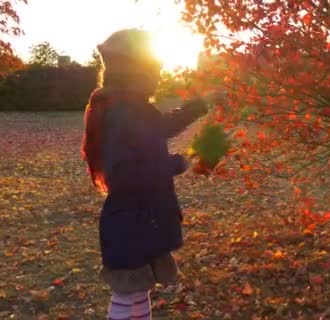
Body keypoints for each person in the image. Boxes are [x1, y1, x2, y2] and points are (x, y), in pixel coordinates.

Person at [80, 28, 224, 320]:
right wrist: (177, 163)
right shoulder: (123, 112)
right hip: (132, 222)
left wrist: (201, 104)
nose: (159, 77)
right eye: (153, 70)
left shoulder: (131, 108)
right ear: (134, 72)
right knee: (127, 294)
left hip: (143, 219)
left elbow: (163, 126)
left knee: (138, 292)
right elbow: (124, 176)